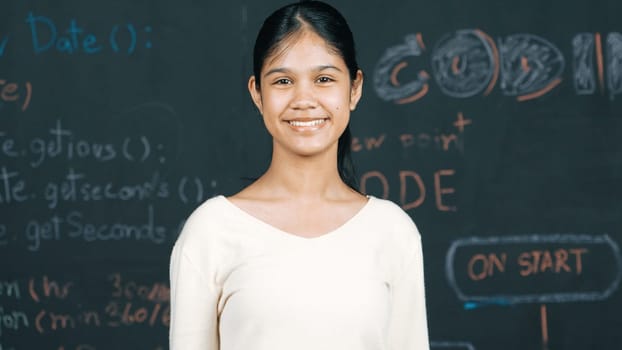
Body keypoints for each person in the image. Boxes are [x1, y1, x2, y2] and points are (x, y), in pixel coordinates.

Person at [169, 1, 430, 349]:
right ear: (256, 93)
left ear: (354, 89)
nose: (304, 99)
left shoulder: (393, 232)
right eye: (283, 81)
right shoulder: (211, 231)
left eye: (324, 79)